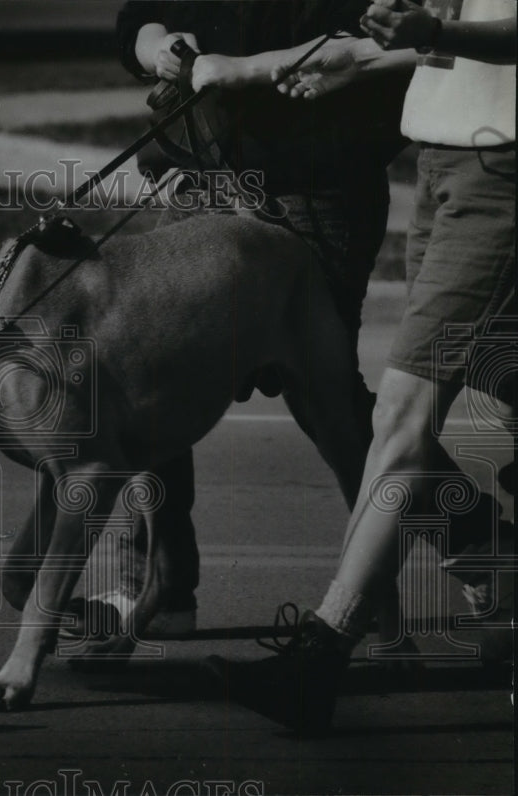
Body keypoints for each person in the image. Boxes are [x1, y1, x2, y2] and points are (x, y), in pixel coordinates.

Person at [208, 0, 516, 734]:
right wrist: (365, 56)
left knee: (402, 414)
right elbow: (447, 44)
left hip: (500, 175)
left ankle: (321, 655)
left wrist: (433, 32)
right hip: (443, 162)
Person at [66, 0, 415, 647]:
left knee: (326, 399)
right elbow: (141, 15)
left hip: (313, 189)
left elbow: (375, 50)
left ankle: (469, 547)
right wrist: (157, 46)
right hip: (204, 180)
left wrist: (243, 70)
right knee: (153, 377)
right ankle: (162, 584)